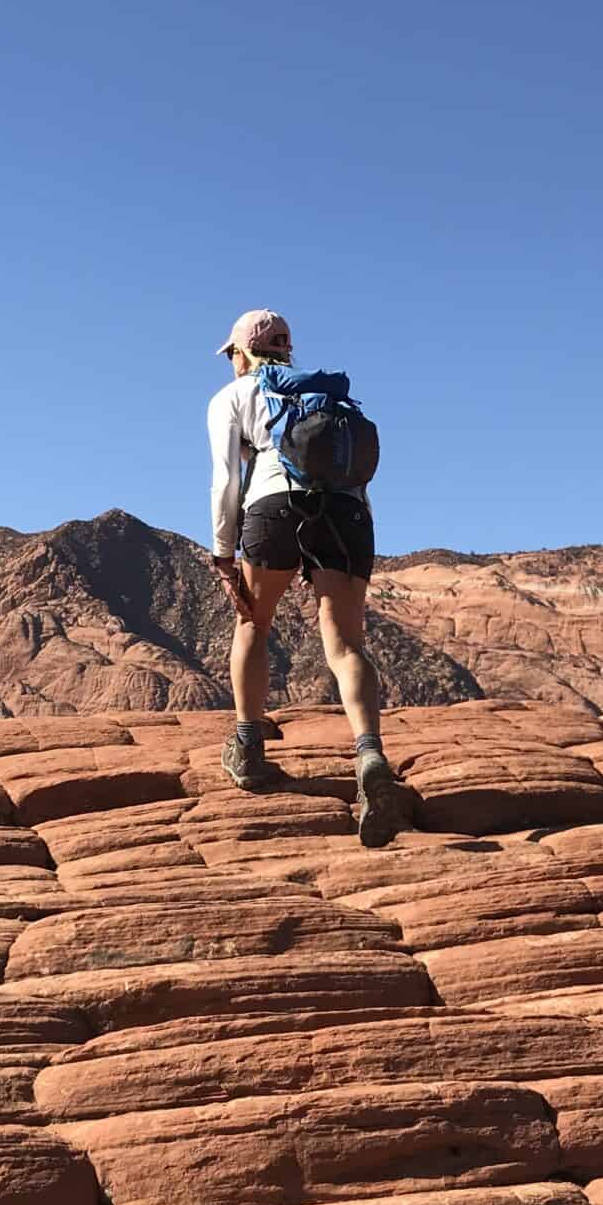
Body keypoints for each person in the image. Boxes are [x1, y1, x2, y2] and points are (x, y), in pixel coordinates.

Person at [206, 307, 411, 847]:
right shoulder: (326, 399)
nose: (231, 362)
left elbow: (227, 480)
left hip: (273, 506)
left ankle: (248, 748)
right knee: (346, 647)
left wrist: (223, 552)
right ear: (286, 349)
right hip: (348, 515)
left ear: (242, 352)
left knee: (253, 623)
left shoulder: (233, 397)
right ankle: (370, 757)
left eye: (232, 354)